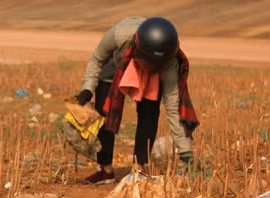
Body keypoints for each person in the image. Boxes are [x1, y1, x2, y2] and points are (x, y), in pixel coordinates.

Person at [77, 16, 199, 184]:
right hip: (119, 62)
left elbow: (174, 107)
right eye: (148, 63)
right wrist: (87, 89)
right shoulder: (120, 34)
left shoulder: (169, 61)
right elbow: (97, 59)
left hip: (153, 71)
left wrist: (186, 152)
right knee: (104, 110)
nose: (149, 66)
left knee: (150, 113)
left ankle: (139, 168)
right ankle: (105, 169)